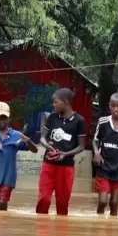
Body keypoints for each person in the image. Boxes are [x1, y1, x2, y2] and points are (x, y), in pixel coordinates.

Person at [36, 88, 87, 216]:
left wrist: (65, 154)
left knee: (62, 203)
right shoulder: (52, 117)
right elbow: (42, 137)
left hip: (66, 167)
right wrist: (47, 146)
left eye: (55, 102)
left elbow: (81, 146)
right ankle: (41, 233)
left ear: (65, 102)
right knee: (44, 199)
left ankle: (61, 234)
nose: (53, 105)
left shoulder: (79, 121)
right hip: (48, 164)